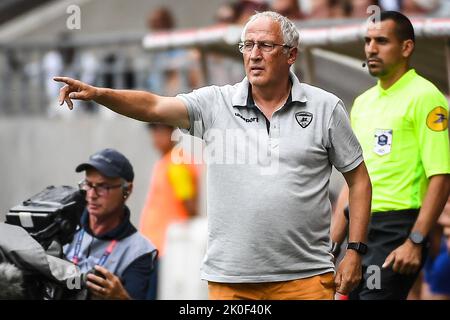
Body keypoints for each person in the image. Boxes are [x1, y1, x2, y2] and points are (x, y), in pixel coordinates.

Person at [54, 11, 372, 300]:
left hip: (305, 279)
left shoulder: (326, 107)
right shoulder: (215, 103)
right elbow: (152, 106)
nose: (254, 55)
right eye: (247, 46)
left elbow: (359, 181)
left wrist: (355, 252)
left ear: (291, 54)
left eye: (265, 45)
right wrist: (99, 94)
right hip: (230, 281)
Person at [330, 11, 450, 300]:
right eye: (368, 41)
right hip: (359, 228)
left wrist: (415, 240)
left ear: (406, 47)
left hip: (395, 228)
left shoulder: (426, 97)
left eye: (381, 41)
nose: (371, 48)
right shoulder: (362, 103)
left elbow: (441, 175)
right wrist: (332, 242)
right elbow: (354, 180)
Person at [63, 148, 157, 299]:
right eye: (88, 184)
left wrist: (120, 297)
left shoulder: (140, 252)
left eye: (103, 187)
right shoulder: (64, 226)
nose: (92, 195)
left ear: (127, 190)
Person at [139, 123, 200, 299]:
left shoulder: (177, 162)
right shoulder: (167, 160)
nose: (155, 137)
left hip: (166, 248)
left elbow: (190, 206)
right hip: (157, 246)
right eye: (153, 131)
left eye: (160, 131)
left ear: (172, 132)